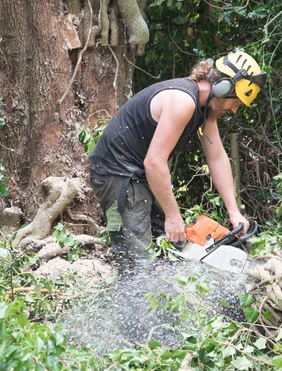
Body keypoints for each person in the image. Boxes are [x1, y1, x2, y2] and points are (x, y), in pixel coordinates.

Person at [88, 51, 267, 262]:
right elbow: (154, 162)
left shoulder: (204, 111)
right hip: (116, 174)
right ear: (223, 87)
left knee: (167, 250)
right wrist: (173, 216)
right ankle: (129, 294)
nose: (235, 109)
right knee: (136, 259)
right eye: (236, 102)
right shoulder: (183, 101)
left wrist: (234, 212)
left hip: (139, 176)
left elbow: (217, 158)